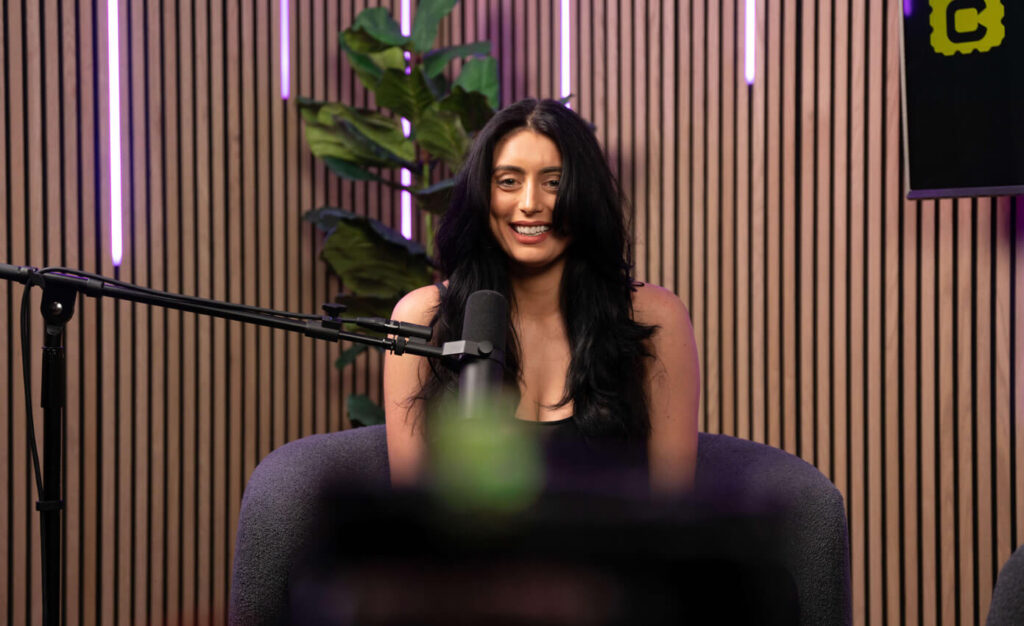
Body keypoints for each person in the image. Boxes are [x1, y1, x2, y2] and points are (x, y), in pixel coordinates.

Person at [383, 98, 700, 495]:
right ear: (483, 194)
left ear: (584, 194)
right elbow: (410, 520)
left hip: (617, 557)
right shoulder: (423, 318)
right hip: (471, 559)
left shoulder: (655, 317)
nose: (530, 204)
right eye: (508, 181)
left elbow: (675, 513)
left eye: (554, 182)